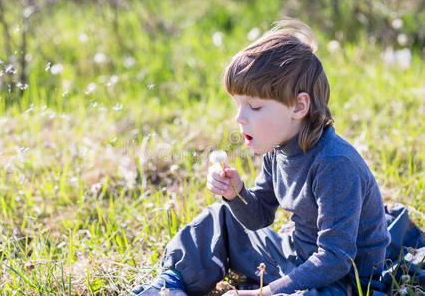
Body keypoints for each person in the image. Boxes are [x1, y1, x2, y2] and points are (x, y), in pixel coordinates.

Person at [132, 19, 391, 296]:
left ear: (298, 106)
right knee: (221, 219)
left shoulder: (335, 164)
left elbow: (335, 259)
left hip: (345, 280)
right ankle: (170, 285)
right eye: (238, 105)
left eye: (254, 106)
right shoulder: (278, 150)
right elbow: (259, 217)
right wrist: (236, 194)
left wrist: (261, 293)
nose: (239, 118)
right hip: (295, 256)